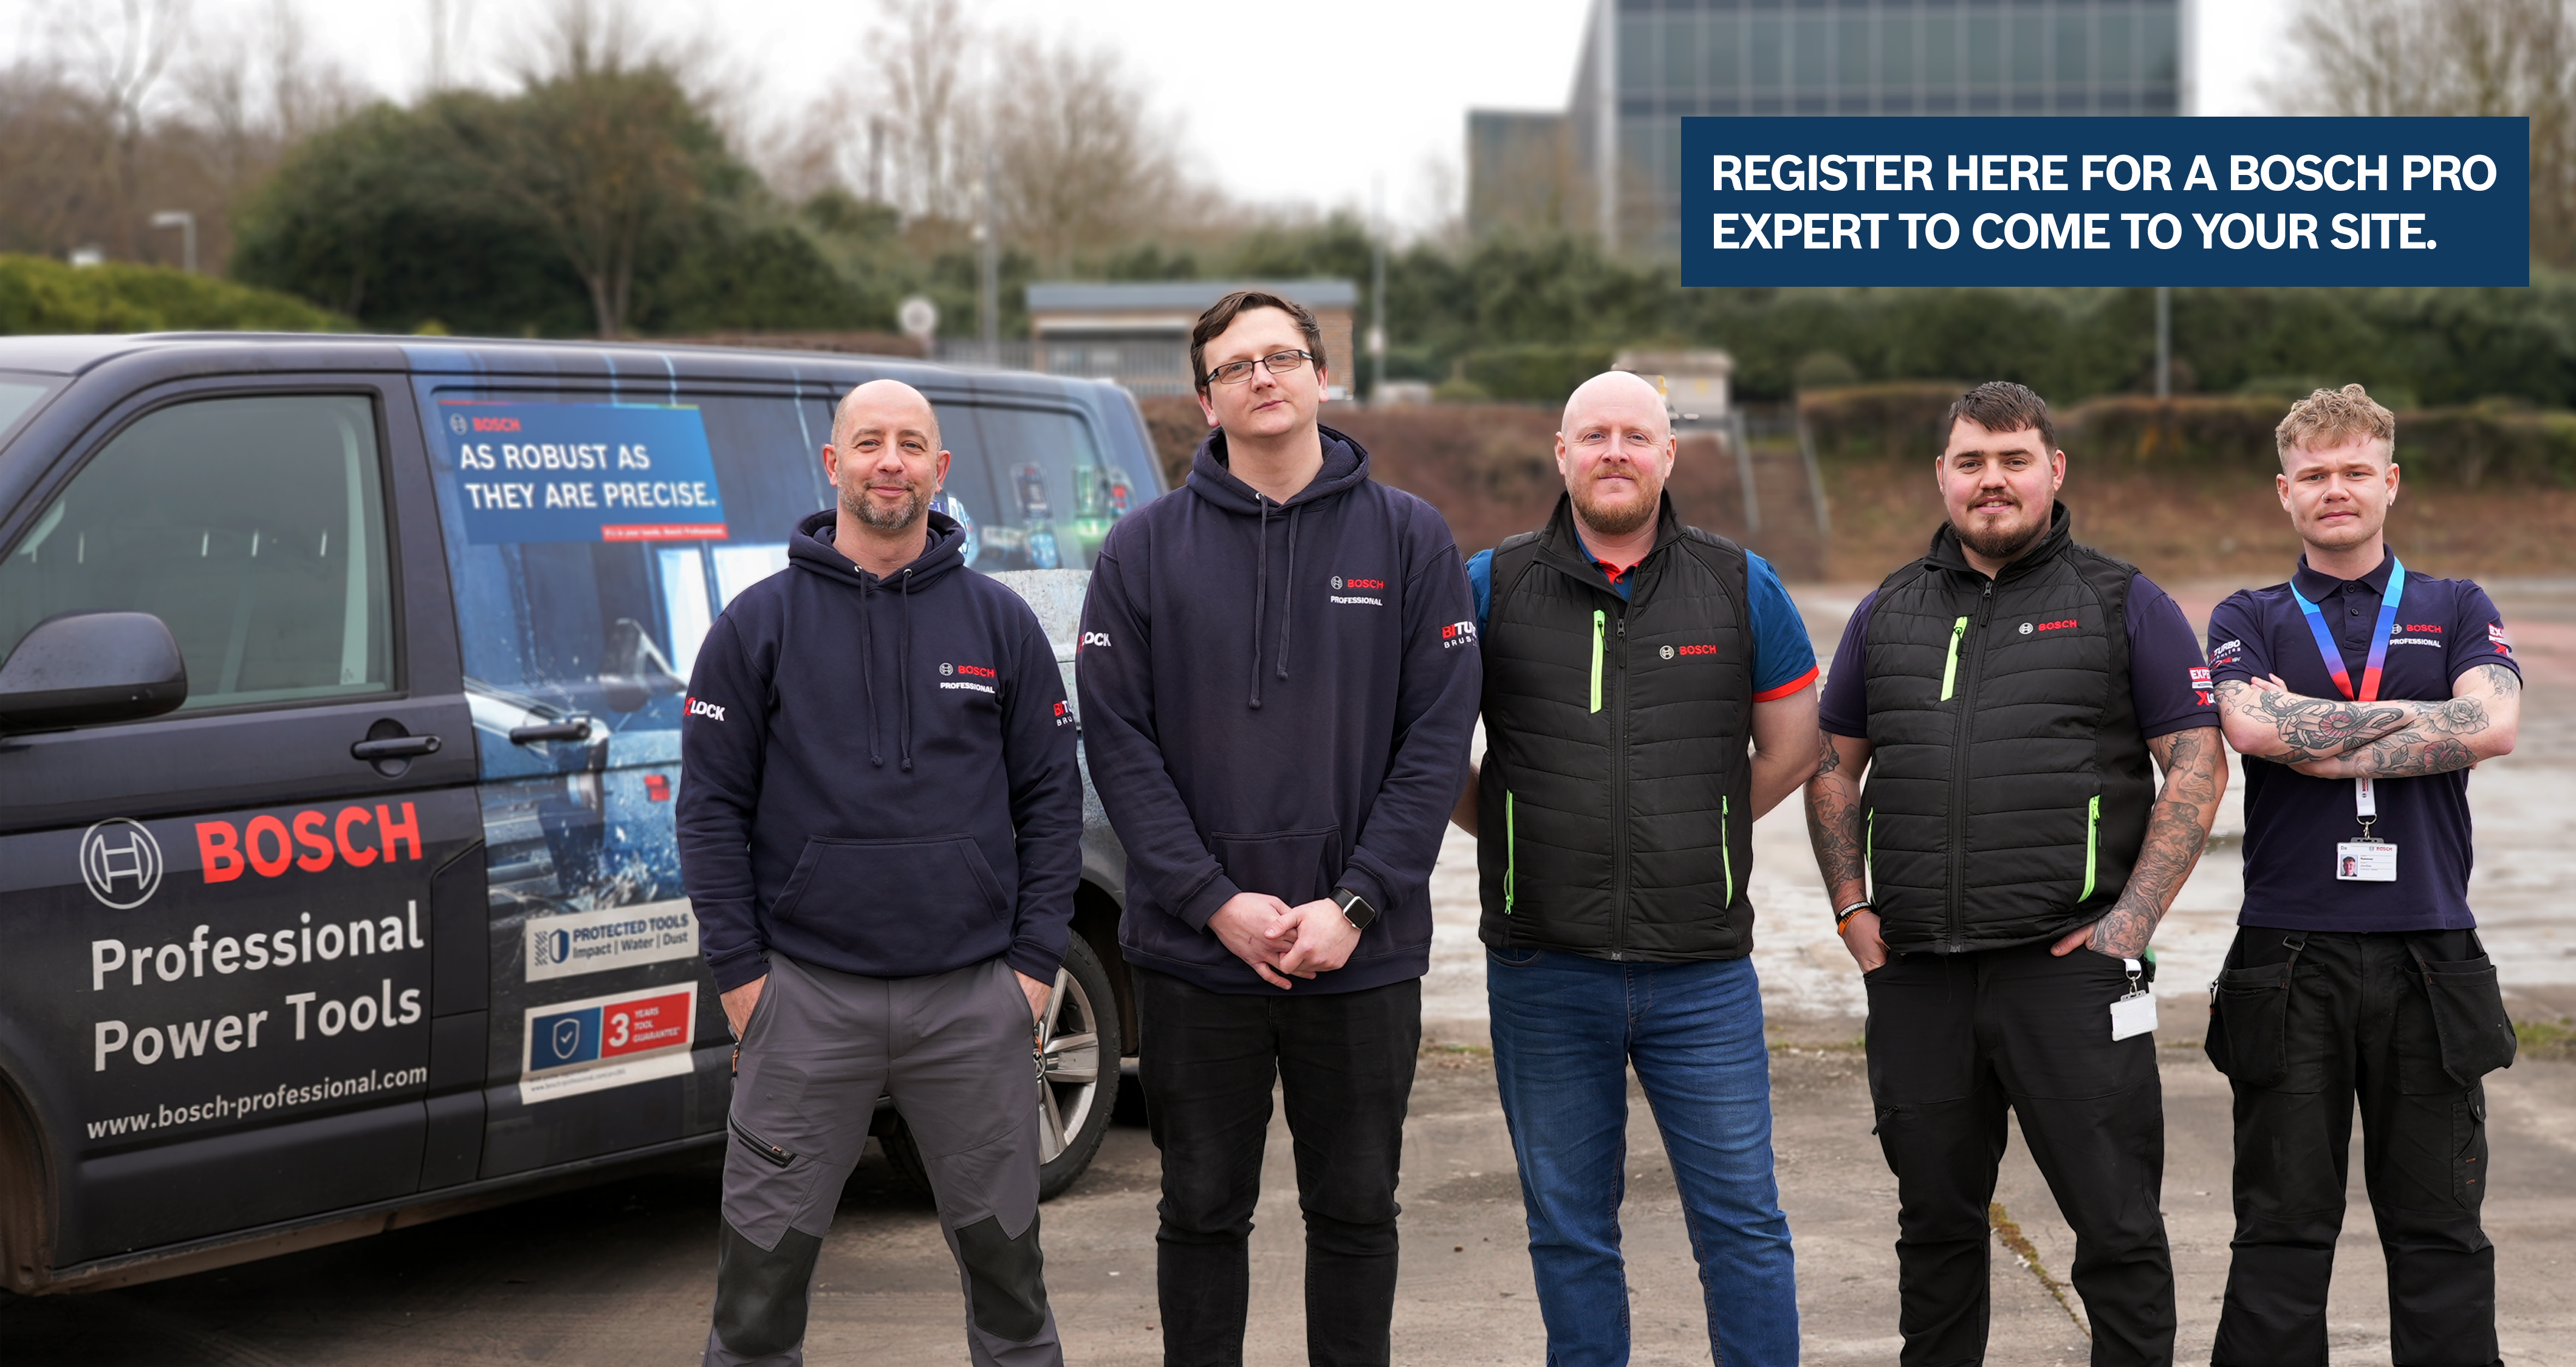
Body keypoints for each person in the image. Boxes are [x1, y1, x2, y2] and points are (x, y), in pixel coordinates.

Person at [1076, 290, 1481, 1367]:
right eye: (1237, 365)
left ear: (1321, 375)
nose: (1265, 377)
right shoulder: (1142, 549)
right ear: (1206, 399)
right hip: (1197, 955)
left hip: (1362, 951)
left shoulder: (1410, 538)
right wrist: (1214, 903)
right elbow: (1119, 746)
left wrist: (1354, 903)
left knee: (1356, 1209)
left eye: (1284, 356)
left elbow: (1435, 741)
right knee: (1201, 1209)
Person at [1801, 380, 2226, 1367]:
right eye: (1971, 461)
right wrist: (1852, 909)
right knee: (1936, 1231)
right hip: (1918, 978)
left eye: (2013, 459)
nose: (1992, 480)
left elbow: (2198, 763)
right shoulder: (1888, 609)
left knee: (2117, 1228)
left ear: (2054, 470)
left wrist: (2128, 924)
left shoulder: (2125, 601)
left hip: (2067, 972)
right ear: (1942, 475)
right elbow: (1831, 762)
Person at [677, 379, 1084, 1367]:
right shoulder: (755, 626)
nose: (889, 460)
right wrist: (745, 983)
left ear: (940, 471)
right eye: (869, 442)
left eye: (911, 444)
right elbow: (709, 811)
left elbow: (1052, 804)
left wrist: (1031, 970)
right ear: (834, 464)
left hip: (974, 1001)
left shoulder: (1000, 626)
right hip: (805, 1001)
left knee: (1012, 1295)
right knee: (756, 1306)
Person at [1450, 371, 1816, 1367]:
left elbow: (1794, 745)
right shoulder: (1489, 584)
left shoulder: (1743, 584)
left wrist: (1699, 822)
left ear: (1669, 455)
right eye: (1594, 434)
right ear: (1561, 454)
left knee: (1742, 1222)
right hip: (1543, 969)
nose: (1616, 450)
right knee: (1570, 1231)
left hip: (1701, 972)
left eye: (1636, 434)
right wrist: (1521, 831)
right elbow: (1437, 754)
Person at [2202, 384, 2521, 1367]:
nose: (2334, 490)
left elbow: (2496, 724)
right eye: (2313, 475)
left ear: (2390, 482)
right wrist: (2426, 729)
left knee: (2440, 1229)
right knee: (2282, 1227)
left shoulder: (2455, 605)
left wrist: (2317, 737)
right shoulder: (2247, 611)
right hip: (2288, 955)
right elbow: (2252, 726)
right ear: (2283, 493)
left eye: (2353, 472)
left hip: (2432, 950)